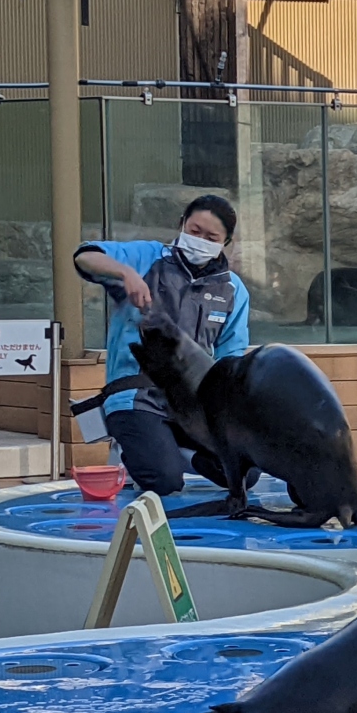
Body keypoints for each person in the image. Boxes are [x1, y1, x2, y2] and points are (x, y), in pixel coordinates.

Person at [74, 195, 252, 496]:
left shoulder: (233, 289)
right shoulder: (147, 257)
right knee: (164, 481)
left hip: (192, 401)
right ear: (181, 224)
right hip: (137, 395)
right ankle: (138, 451)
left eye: (211, 238)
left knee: (245, 472)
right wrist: (126, 273)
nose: (200, 241)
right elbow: (85, 256)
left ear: (226, 243)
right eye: (194, 231)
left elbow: (230, 359)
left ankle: (180, 453)